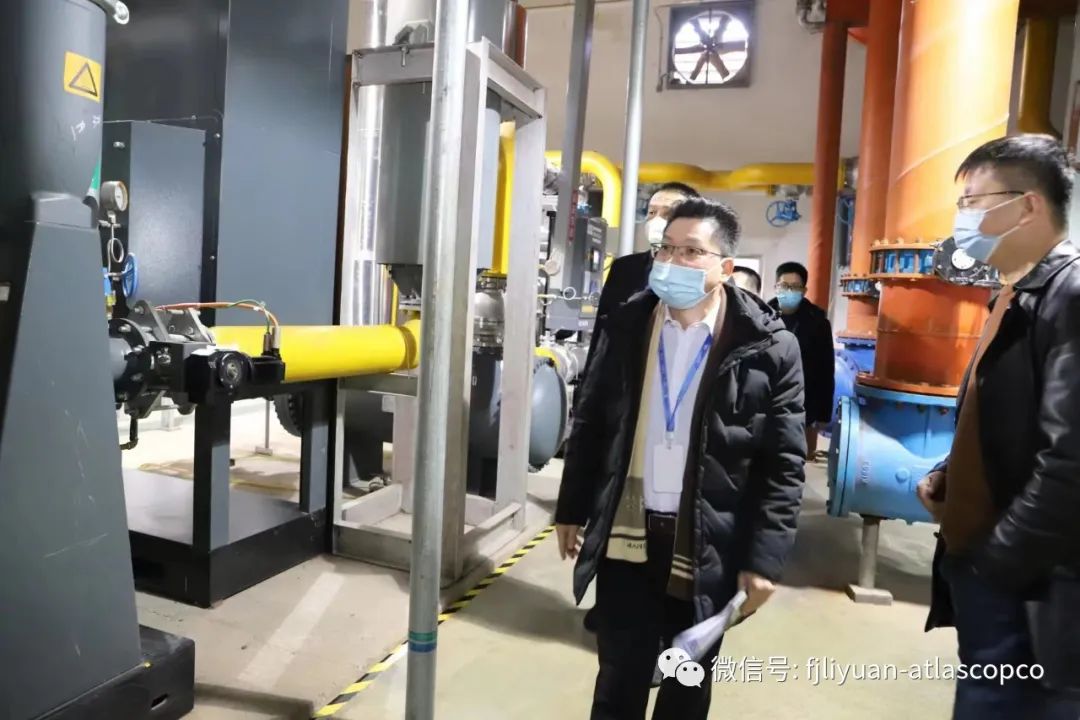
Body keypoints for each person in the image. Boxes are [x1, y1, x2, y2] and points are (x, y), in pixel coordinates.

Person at [555, 198, 807, 720]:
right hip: (629, 532)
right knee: (618, 679)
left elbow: (783, 463)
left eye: (691, 251)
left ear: (726, 267)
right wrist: (572, 506)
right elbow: (592, 421)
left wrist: (765, 558)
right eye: (666, 249)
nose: (673, 261)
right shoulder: (629, 325)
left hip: (708, 537)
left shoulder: (768, 347)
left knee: (686, 685)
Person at [916, 134, 1080, 719]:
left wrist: (997, 563)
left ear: (1028, 206)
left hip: (1033, 584)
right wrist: (951, 473)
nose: (961, 220)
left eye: (973, 203)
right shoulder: (1013, 294)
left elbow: (1070, 462)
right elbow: (1005, 417)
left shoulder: (1069, 297)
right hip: (994, 567)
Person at [596, 182, 702, 322]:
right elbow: (604, 323)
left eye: (668, 213)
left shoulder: (701, 269)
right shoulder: (625, 267)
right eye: (652, 212)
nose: (656, 220)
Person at [768, 262, 834, 458]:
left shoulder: (818, 323)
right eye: (784, 285)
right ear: (775, 287)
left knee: (796, 459)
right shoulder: (762, 317)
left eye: (795, 287)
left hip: (804, 404)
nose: (788, 291)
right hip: (766, 402)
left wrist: (823, 414)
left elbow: (826, 370)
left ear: (804, 291)